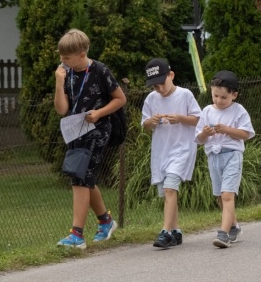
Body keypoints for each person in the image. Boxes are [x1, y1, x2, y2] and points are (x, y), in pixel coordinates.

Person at [54, 29, 126, 249]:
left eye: (66, 57)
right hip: (75, 131)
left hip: (98, 129)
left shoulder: (100, 71)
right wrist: (59, 83)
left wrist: (100, 113)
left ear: (82, 53)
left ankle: (76, 235)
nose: (62, 61)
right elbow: (61, 109)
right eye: (61, 56)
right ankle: (106, 222)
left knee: (81, 177)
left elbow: (120, 99)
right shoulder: (66, 73)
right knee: (83, 176)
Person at [141, 58, 201, 249]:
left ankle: (165, 231)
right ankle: (176, 230)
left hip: (182, 149)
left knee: (170, 188)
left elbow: (197, 119)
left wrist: (180, 118)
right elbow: (145, 125)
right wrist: (153, 121)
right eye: (155, 86)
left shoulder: (185, 95)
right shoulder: (151, 99)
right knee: (167, 192)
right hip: (162, 151)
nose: (159, 89)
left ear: (171, 75)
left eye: (162, 83)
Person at [196, 70, 255, 248]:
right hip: (214, 157)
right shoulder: (206, 111)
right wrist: (204, 134)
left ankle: (223, 234)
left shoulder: (239, 111)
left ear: (234, 95)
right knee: (220, 197)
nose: (219, 101)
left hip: (232, 155)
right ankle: (234, 227)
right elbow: (198, 139)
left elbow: (246, 134)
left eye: (223, 97)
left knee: (228, 195)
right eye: (215, 96)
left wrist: (227, 130)